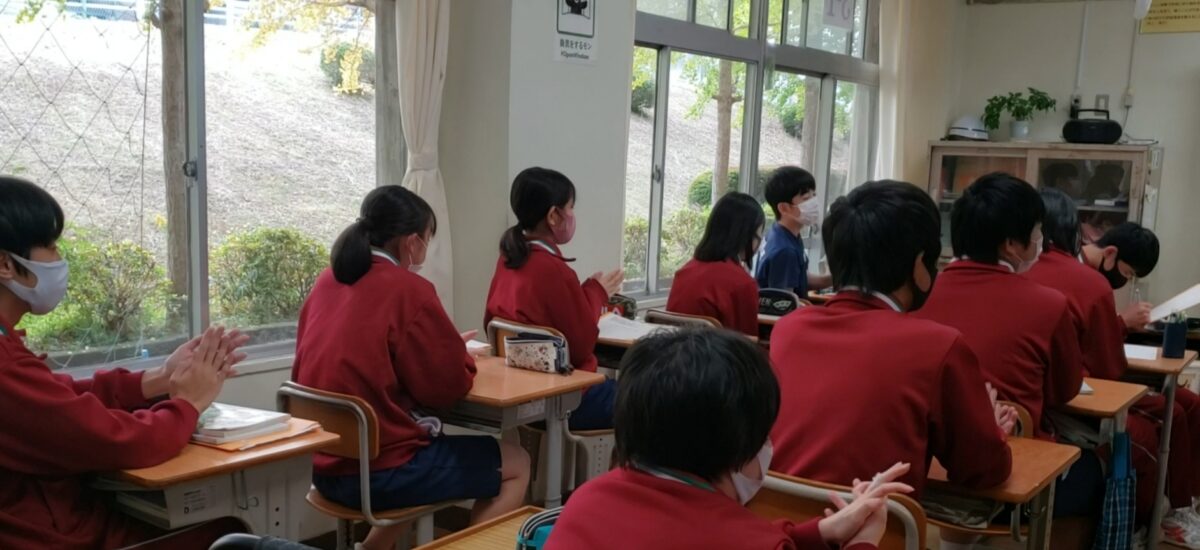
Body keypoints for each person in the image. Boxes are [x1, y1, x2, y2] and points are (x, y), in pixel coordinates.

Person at [0, 175, 250, 549]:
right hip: (47, 534)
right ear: (5, 264)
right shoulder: (5, 364)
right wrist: (188, 403)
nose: (59, 258)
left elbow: (57, 400)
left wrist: (159, 377)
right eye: (50, 246)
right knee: (227, 535)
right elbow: (118, 442)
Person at [295, 185, 530, 550]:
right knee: (516, 463)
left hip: (323, 464)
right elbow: (448, 387)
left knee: (414, 443)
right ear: (411, 242)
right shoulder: (409, 289)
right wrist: (456, 353)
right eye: (427, 241)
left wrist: (439, 347)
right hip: (382, 474)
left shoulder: (328, 280)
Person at [545, 328, 914, 549]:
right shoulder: (750, 541)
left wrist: (821, 532)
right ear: (740, 444)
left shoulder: (585, 501)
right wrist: (864, 542)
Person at [770, 180, 1012, 498]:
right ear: (919, 264)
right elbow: (982, 470)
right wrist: (992, 430)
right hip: (877, 524)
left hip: (775, 519)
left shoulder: (788, 329)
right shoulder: (937, 346)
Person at [914, 172, 1103, 518]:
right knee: (1094, 468)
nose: (1041, 242)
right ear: (1011, 244)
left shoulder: (919, 294)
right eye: (1036, 232)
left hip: (919, 476)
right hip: (1008, 475)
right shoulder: (1049, 304)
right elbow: (1064, 390)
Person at [1025, 191, 1200, 540]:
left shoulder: (1029, 275)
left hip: (1071, 382)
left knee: (1187, 404)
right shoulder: (1083, 281)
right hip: (1074, 392)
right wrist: (1122, 325)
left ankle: (1182, 504)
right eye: (1128, 273)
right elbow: (1107, 365)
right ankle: (1162, 516)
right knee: (1168, 416)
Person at [485, 167, 624, 430]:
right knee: (647, 398)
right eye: (570, 208)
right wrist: (597, 294)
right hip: (566, 397)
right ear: (553, 216)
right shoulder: (554, 269)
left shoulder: (508, 260)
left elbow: (492, 322)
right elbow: (581, 347)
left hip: (520, 390)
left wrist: (589, 292)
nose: (573, 215)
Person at [666, 192, 764, 336]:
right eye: (759, 235)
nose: (760, 242)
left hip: (674, 349)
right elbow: (747, 342)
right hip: (714, 350)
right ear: (746, 236)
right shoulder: (742, 284)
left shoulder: (684, 272)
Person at [755, 166, 832, 297]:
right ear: (784, 208)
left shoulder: (782, 233)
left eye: (814, 195)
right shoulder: (785, 250)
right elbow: (784, 302)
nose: (814, 203)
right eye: (806, 198)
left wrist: (831, 279)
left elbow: (797, 277)